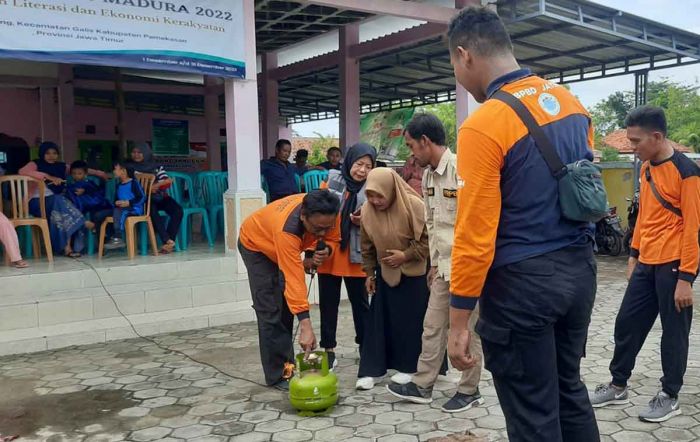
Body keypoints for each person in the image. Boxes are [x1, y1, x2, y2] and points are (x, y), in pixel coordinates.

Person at [446, 7, 599, 442]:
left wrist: (459, 324)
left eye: (453, 65)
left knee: (534, 415)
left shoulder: (484, 125)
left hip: (523, 288)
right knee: (569, 391)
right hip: (579, 273)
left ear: (464, 55)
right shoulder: (571, 104)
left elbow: (474, 235)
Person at [589, 106, 700, 422]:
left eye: (636, 142)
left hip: (675, 264)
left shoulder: (688, 173)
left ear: (657, 136)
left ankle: (670, 394)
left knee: (673, 332)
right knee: (627, 323)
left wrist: (686, 278)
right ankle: (618, 384)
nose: (632, 148)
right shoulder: (647, 168)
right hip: (646, 262)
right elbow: (646, 218)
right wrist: (634, 255)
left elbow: (694, 227)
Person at [387, 113, 483, 412]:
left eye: (411, 145)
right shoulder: (428, 175)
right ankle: (423, 384)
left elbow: (476, 223)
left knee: (469, 330)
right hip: (443, 268)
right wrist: (432, 264)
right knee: (432, 325)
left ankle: (469, 389)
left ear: (425, 142)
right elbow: (432, 223)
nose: (410, 153)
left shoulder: (461, 169)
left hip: (468, 269)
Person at [238, 190, 339, 390]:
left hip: (283, 246)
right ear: (303, 216)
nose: (322, 233)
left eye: (326, 228)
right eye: (318, 228)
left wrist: (323, 250)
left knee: (285, 311)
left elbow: (332, 239)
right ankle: (279, 376)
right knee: (270, 311)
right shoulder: (287, 230)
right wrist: (306, 327)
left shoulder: (327, 213)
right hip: (256, 246)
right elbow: (293, 278)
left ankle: (289, 367)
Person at [357, 168, 430, 391]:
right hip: (385, 274)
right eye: (370, 195)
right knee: (378, 323)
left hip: (414, 274)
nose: (375, 201)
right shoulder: (367, 212)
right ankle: (373, 370)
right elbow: (367, 245)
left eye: (380, 195)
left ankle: (410, 367)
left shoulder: (413, 206)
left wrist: (405, 255)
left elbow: (429, 240)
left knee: (410, 323)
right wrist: (369, 272)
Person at [316, 143, 376, 369]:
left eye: (368, 166)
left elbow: (381, 214)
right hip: (331, 252)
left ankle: (365, 347)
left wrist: (366, 219)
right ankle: (328, 349)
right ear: (349, 161)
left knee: (361, 305)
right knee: (328, 303)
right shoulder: (331, 180)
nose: (362, 170)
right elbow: (318, 209)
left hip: (357, 253)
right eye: (359, 164)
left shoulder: (373, 186)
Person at [19, 142, 107, 257]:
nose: (51, 156)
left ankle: (67, 249)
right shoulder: (35, 164)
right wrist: (48, 177)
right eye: (48, 153)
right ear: (42, 154)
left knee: (60, 210)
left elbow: (79, 169)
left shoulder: (61, 166)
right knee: (60, 201)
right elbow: (22, 171)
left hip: (56, 204)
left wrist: (98, 173)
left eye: (54, 153)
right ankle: (82, 222)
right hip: (36, 203)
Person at [127, 143, 183, 254]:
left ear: (146, 153)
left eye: (140, 152)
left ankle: (168, 242)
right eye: (134, 152)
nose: (136, 155)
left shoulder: (157, 166)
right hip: (142, 199)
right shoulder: (129, 168)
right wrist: (149, 188)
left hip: (159, 196)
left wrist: (155, 186)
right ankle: (167, 241)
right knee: (151, 209)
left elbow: (166, 181)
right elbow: (131, 185)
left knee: (178, 210)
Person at [105, 161, 146, 250]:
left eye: (116, 169)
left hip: (134, 208)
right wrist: (116, 202)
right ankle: (110, 237)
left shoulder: (134, 183)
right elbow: (116, 199)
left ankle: (118, 237)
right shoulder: (119, 185)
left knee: (121, 213)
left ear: (123, 171)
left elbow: (142, 197)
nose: (114, 171)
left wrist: (129, 202)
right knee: (103, 214)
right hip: (121, 208)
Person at [67, 160, 113, 239]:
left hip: (92, 203)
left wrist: (85, 191)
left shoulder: (89, 183)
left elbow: (97, 191)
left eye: (79, 173)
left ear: (85, 174)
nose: (76, 176)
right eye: (74, 173)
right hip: (80, 204)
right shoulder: (71, 184)